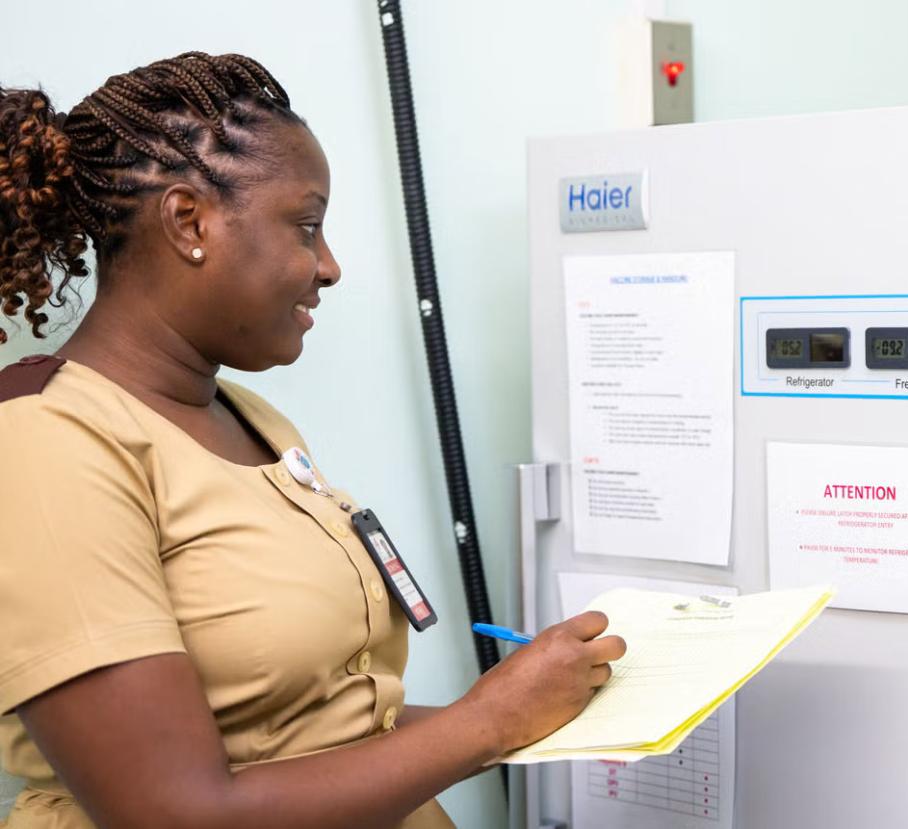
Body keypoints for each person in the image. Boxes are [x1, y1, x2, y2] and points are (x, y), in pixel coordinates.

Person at [0, 52, 625, 828]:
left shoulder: (249, 416)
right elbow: (169, 811)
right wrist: (489, 722)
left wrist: (532, 706)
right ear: (188, 221)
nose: (328, 267)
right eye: (306, 226)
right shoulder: (45, 444)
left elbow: (326, 733)